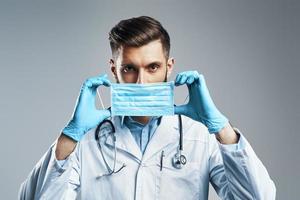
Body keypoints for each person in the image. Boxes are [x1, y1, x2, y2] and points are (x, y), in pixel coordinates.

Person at [19, 16, 276, 200]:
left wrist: (222, 128)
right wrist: (69, 136)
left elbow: (258, 197)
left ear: (169, 66)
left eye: (153, 67)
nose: (141, 83)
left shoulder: (200, 136)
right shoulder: (85, 139)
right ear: (114, 70)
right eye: (129, 68)